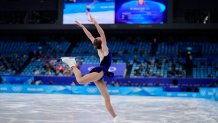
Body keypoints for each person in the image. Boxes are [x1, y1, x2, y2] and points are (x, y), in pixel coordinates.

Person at [61, 14, 120, 123]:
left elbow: (90, 36)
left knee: (107, 98)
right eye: (99, 39)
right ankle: (72, 63)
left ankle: (116, 118)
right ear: (102, 42)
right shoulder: (104, 49)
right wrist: (94, 22)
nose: (98, 38)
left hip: (101, 74)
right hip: (100, 71)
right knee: (80, 80)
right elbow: (101, 33)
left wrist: (83, 26)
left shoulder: (101, 49)